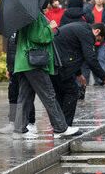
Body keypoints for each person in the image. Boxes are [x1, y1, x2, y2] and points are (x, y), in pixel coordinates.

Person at [13, 8, 79, 139]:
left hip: (24, 61)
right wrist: (50, 27)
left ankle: (19, 129)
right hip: (34, 62)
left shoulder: (23, 13)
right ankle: (60, 128)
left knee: (25, 96)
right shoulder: (34, 14)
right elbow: (38, 37)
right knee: (48, 94)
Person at [51, 22, 105, 126]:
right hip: (60, 64)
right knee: (72, 92)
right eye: (98, 39)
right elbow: (90, 58)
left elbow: (72, 50)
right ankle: (65, 127)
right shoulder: (87, 34)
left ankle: (59, 126)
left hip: (55, 62)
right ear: (97, 31)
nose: (95, 43)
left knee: (60, 94)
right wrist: (104, 79)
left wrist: (78, 74)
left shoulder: (82, 28)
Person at [0, 33, 36, 134]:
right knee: (12, 95)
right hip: (13, 68)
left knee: (26, 95)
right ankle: (12, 122)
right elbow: (9, 51)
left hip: (23, 67)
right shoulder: (11, 32)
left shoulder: (26, 29)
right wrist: (8, 68)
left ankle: (30, 122)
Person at [82, 0, 105, 86]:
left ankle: (101, 79)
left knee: (101, 59)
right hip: (91, 39)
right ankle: (97, 79)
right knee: (93, 60)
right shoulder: (89, 10)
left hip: (104, 40)